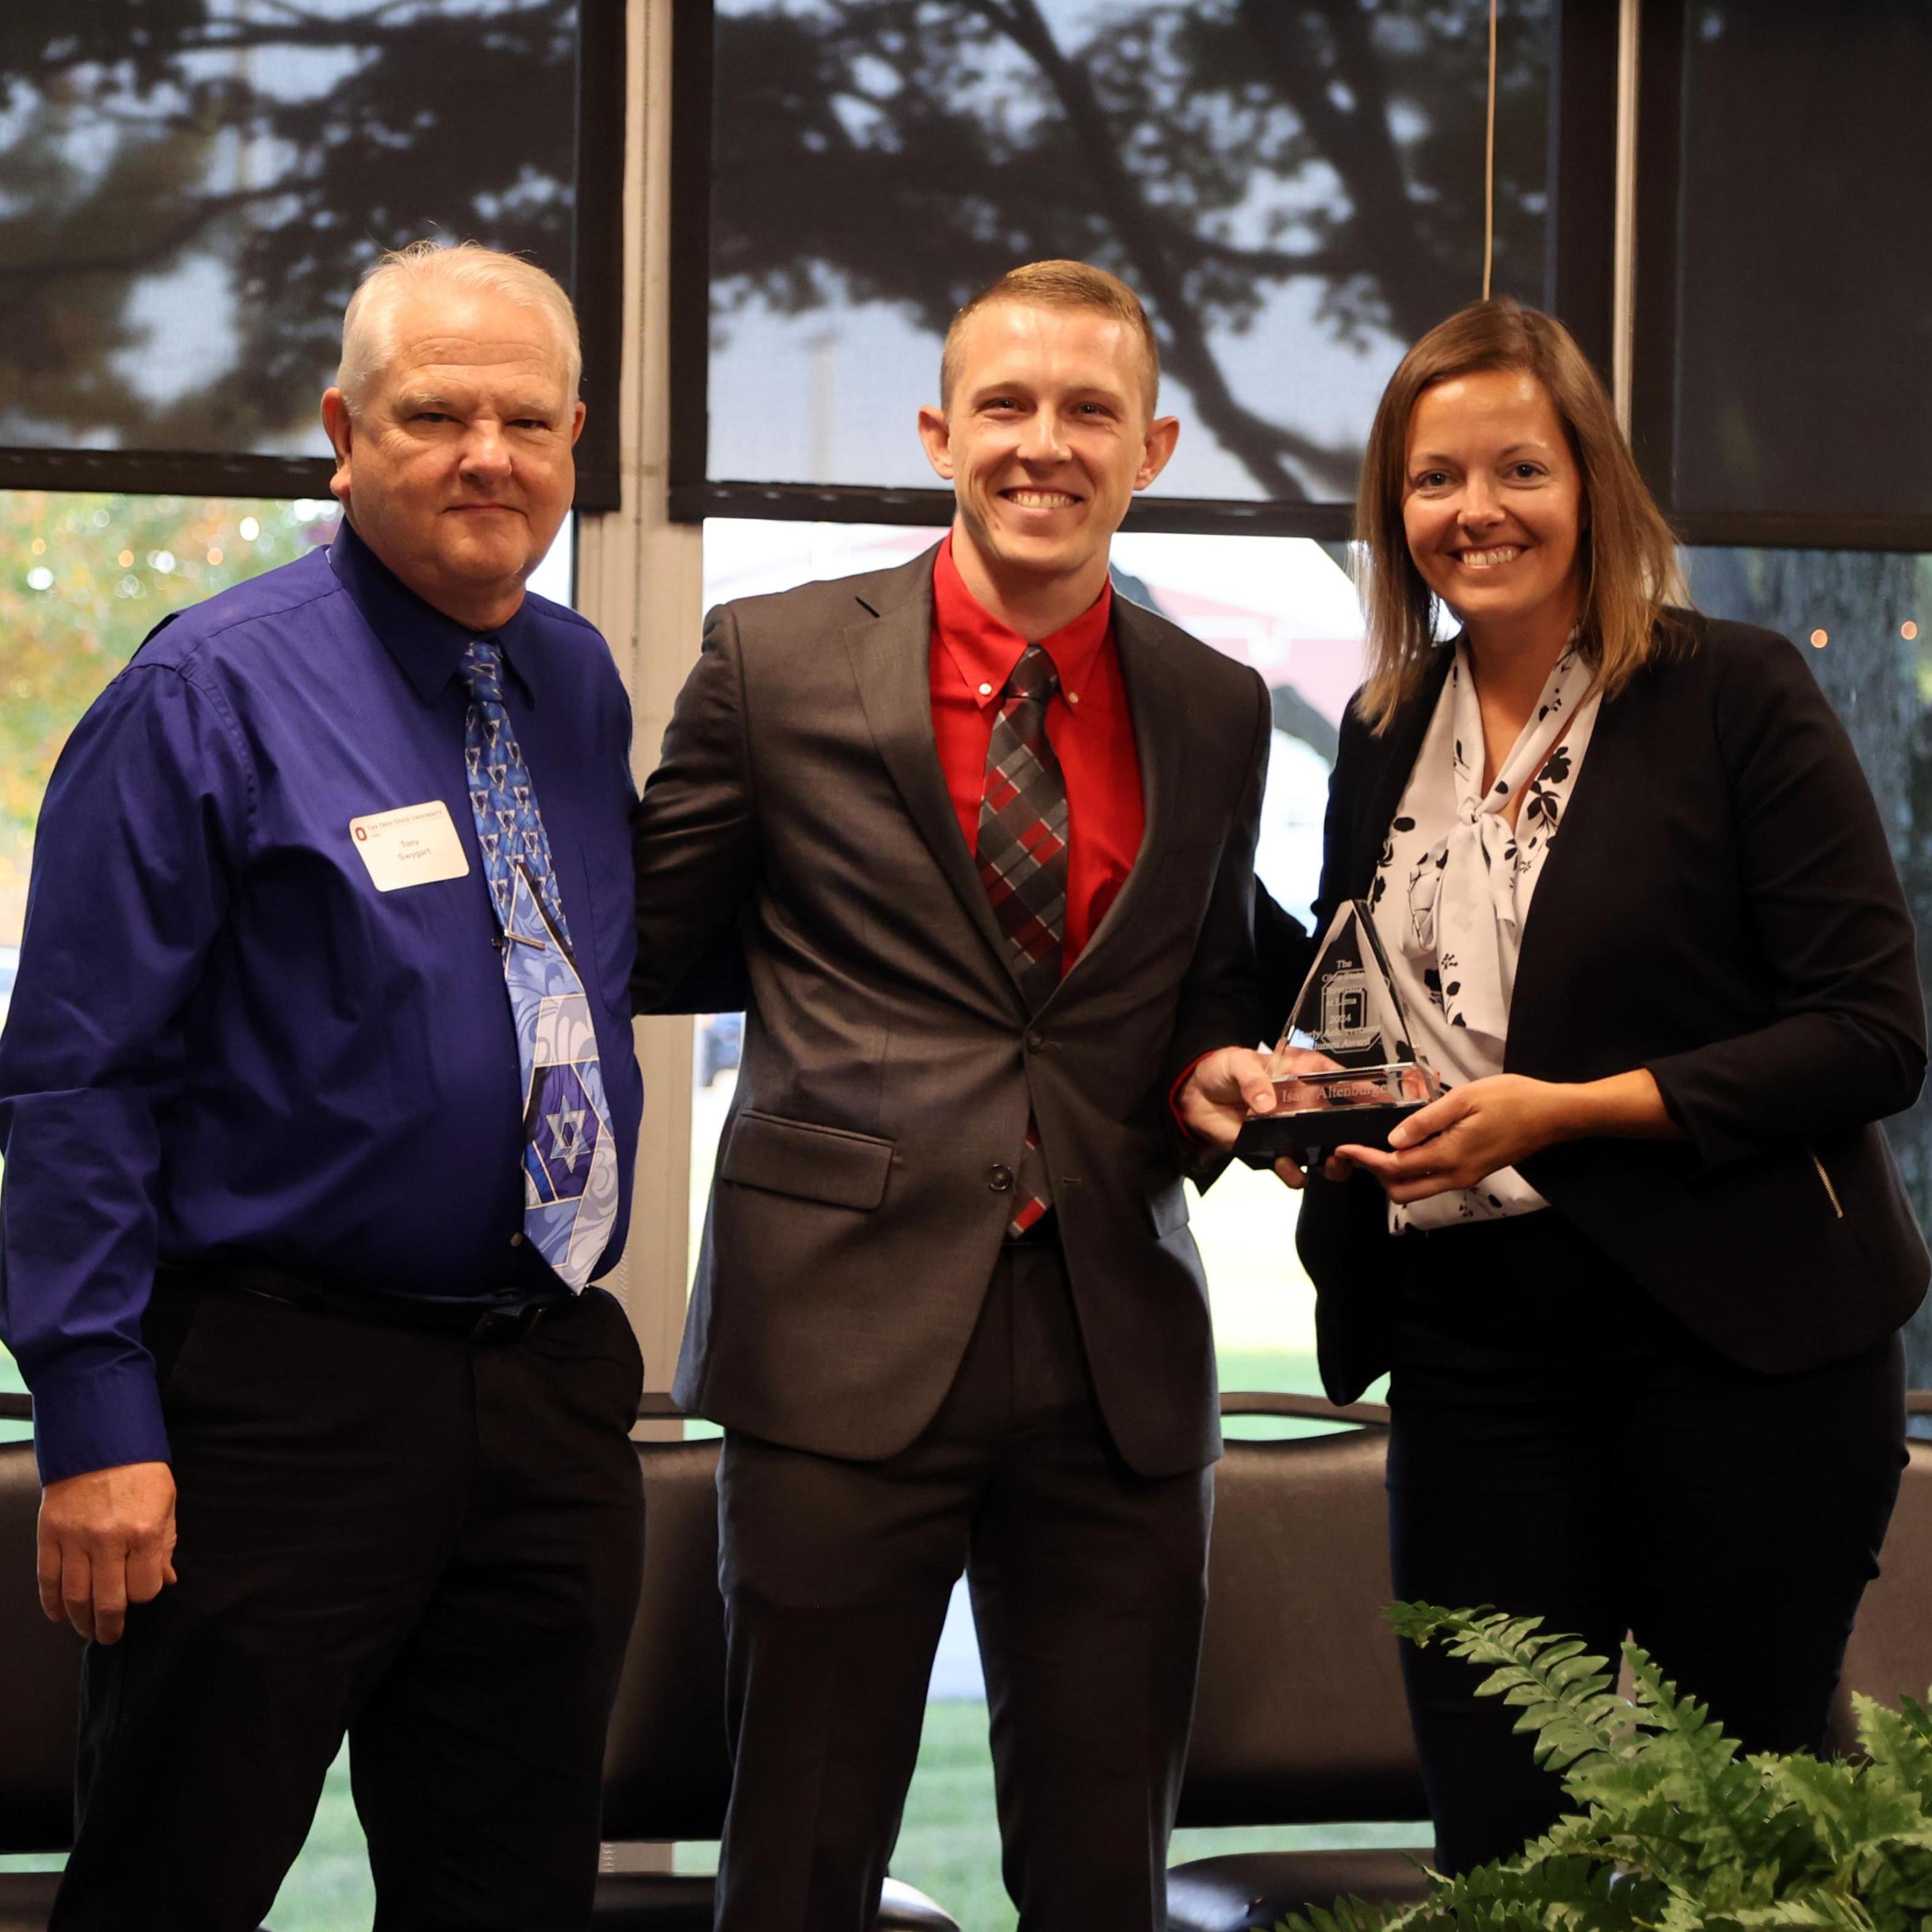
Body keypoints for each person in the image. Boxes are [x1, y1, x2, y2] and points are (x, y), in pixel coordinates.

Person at [1181, 295, 1928, 1874]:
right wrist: (1294, 1101)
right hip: (1469, 1353)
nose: (1475, 511)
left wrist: (1567, 1109)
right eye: (1434, 477)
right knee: (1502, 1839)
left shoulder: (1731, 696)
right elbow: (1388, 1018)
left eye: (1516, 467)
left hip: (1738, 1351)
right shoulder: (1387, 727)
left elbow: (1869, 1031)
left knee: (1735, 1849)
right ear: (1394, 510)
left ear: (1589, 479)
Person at [0, 242, 648, 1931]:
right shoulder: (204, 690)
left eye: (525, 418)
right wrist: (94, 1414)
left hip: (548, 1376)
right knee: (175, 1882)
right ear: (340, 432)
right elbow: (75, 1077)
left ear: (579, 437)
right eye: (435, 413)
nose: (485, 455)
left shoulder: (574, 680)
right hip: (277, 1401)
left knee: (509, 1896)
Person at [630, 260, 1271, 1930]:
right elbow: (658, 935)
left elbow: (1204, 968)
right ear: (938, 430)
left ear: (1154, 445)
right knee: (802, 1851)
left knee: (1100, 1864)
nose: (1041, 443)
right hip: (835, 1324)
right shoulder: (771, 660)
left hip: (1116, 1341)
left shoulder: (1212, 704)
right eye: (1005, 404)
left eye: (1087, 411)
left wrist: (1216, 1064)